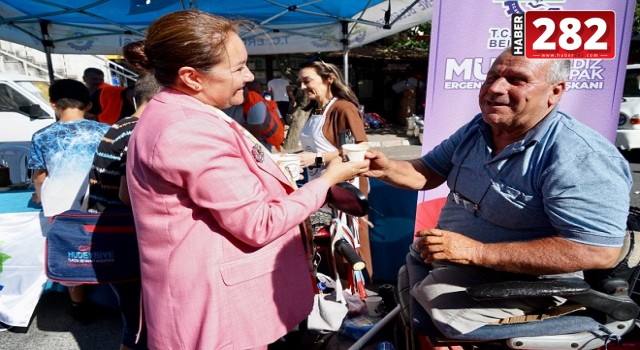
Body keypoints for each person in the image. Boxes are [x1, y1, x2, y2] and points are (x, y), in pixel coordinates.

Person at [124, 10, 368, 350]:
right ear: (192, 77)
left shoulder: (183, 114)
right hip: (212, 311)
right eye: (238, 68)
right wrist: (327, 180)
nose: (249, 76)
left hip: (207, 297)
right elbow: (259, 222)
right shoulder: (188, 128)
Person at [362, 50, 633, 342]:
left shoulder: (580, 156)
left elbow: (596, 251)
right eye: (492, 76)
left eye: (517, 80)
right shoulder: (479, 128)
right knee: (415, 290)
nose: (495, 88)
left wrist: (476, 252)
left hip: (523, 284)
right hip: (448, 264)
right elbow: (427, 171)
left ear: (555, 91)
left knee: (435, 306)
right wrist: (387, 168)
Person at [87, 42, 161, 349]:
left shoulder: (118, 127)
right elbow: (129, 195)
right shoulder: (140, 131)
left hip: (110, 231)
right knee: (139, 324)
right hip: (128, 235)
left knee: (134, 319)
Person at [27, 79, 110, 323]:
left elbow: (40, 177)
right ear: (90, 104)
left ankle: (78, 305)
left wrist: (39, 196)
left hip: (60, 205)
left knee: (71, 252)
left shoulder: (42, 136)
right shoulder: (106, 131)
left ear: (54, 104)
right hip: (100, 202)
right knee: (107, 247)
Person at [296, 59, 373, 280]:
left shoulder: (343, 108)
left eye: (307, 81)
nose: (302, 87)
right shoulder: (315, 110)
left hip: (344, 188)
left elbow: (360, 147)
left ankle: (358, 294)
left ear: (328, 79)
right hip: (320, 185)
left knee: (347, 242)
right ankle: (336, 293)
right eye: (300, 82)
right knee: (328, 242)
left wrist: (317, 158)